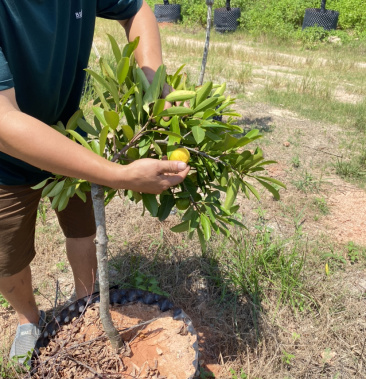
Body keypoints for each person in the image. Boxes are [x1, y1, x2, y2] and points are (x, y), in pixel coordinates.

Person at [0, 0, 190, 364]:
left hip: (71, 135)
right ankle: (29, 319)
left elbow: (137, 9)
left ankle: (86, 301)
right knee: (7, 256)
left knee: (84, 229)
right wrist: (119, 175)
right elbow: (3, 122)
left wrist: (155, 87)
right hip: (4, 155)